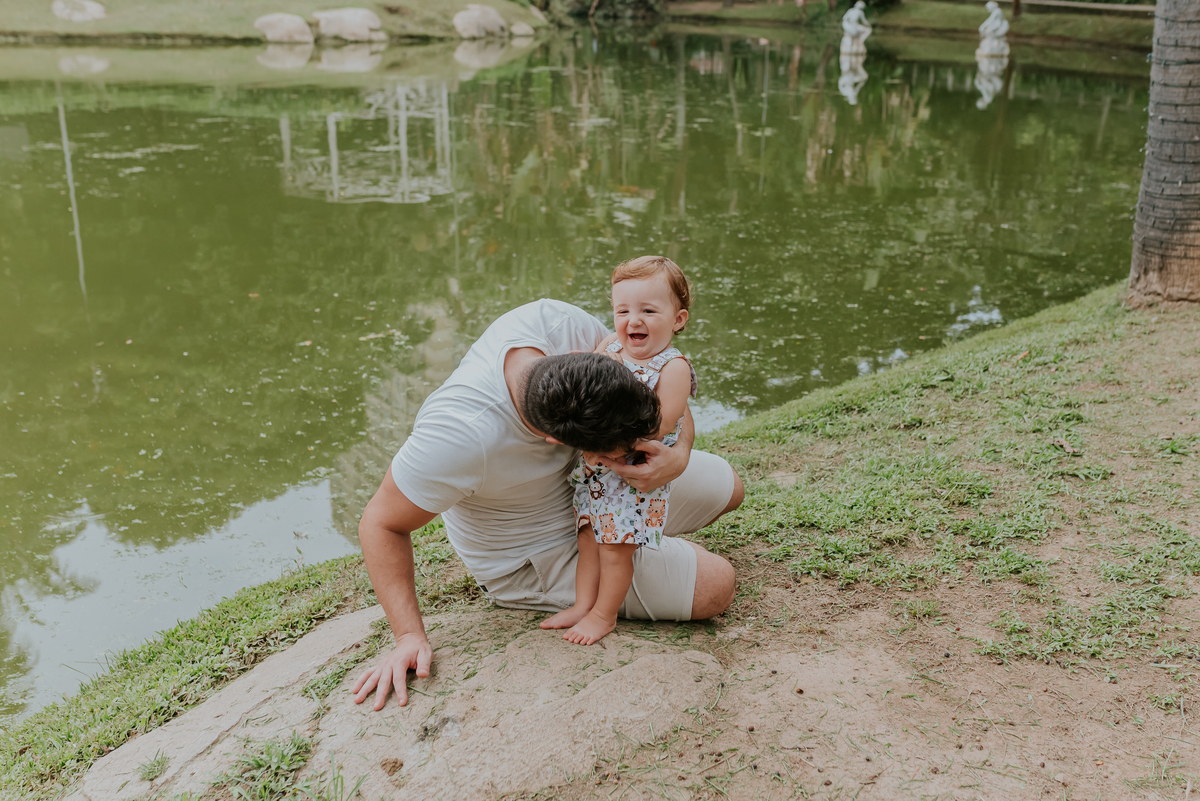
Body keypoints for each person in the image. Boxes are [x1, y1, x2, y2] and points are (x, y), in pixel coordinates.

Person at [351, 296, 744, 710]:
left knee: (728, 485)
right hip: (534, 549)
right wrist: (409, 635)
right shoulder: (458, 438)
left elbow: (664, 396)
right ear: (557, 442)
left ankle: (636, 545)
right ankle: (613, 566)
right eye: (623, 446)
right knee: (716, 586)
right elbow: (380, 522)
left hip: (596, 486)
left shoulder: (559, 324)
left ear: (580, 356)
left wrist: (678, 453)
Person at [541, 256, 698, 645]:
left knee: (616, 549)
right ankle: (582, 604)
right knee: (589, 537)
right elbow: (588, 387)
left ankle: (603, 614)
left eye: (648, 310)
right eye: (623, 310)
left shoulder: (673, 367)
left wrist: (597, 442)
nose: (634, 320)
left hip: (632, 475)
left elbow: (656, 425)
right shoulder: (611, 347)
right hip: (596, 473)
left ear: (678, 320)